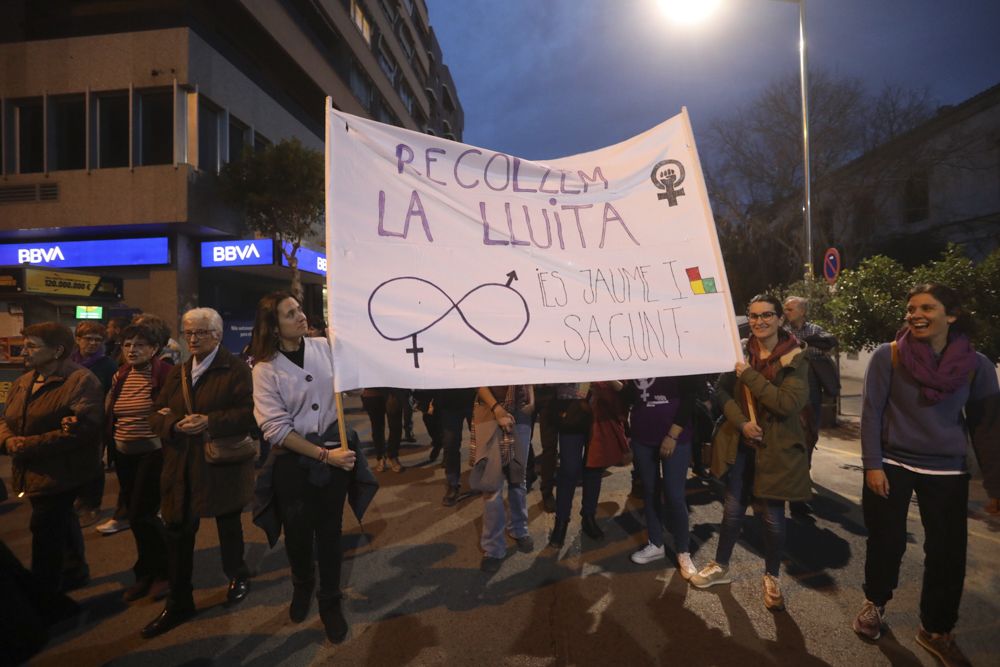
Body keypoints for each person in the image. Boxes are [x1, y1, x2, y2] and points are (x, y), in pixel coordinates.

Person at [852, 284, 998, 666]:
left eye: (926, 308)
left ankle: (936, 628)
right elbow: (871, 413)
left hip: (948, 469)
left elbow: (985, 427)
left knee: (948, 554)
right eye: (911, 307)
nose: (914, 314)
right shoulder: (890, 356)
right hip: (893, 464)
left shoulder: (977, 366)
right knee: (887, 541)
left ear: (951, 316)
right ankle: (876, 603)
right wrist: (872, 464)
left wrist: (996, 486)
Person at [690, 295, 810, 612]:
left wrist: (749, 376)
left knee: (772, 518)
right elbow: (721, 391)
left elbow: (787, 404)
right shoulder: (741, 353)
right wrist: (742, 423)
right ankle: (721, 566)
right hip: (742, 447)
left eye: (767, 315)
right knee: (731, 511)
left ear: (780, 319)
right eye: (754, 316)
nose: (759, 321)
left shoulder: (795, 358)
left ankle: (772, 575)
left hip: (776, 451)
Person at [142, 308, 257, 638]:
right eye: (188, 332)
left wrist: (210, 421)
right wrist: (173, 423)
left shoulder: (235, 369)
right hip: (180, 464)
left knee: (228, 523)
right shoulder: (178, 372)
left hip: (220, 463)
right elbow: (155, 414)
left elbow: (251, 413)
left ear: (218, 335)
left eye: (200, 333)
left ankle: (237, 574)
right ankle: (179, 601)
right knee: (177, 530)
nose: (192, 339)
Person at [251, 291, 356, 644]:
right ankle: (302, 586)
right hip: (294, 465)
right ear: (273, 326)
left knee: (329, 533)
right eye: (290, 313)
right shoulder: (264, 369)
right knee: (296, 532)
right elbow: (276, 429)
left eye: (299, 310)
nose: (301, 317)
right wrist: (325, 456)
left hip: (335, 454)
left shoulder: (325, 347)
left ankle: (330, 601)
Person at [0, 322, 104, 594]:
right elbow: (7, 419)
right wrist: (8, 440)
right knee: (61, 521)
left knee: (44, 529)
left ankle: (45, 593)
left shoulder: (81, 381)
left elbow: (83, 430)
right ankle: (74, 569)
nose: (25, 351)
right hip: (31, 468)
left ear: (57, 350)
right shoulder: (25, 380)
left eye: (32, 346)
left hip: (61, 471)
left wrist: (27, 445)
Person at [106, 323, 172, 602]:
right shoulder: (120, 374)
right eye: (127, 345)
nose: (132, 350)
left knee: (141, 514)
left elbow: (174, 410)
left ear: (154, 349)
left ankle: (164, 573)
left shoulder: (165, 373)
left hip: (153, 452)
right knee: (136, 517)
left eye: (140, 345)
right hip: (124, 453)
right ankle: (145, 573)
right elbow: (113, 412)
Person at [626, 376, 699, 580]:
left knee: (674, 494)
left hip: (675, 436)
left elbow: (690, 396)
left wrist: (673, 435)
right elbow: (630, 396)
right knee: (650, 491)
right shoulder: (633, 357)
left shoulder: (676, 354)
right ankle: (656, 543)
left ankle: (683, 551)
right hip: (642, 435)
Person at [471, 385, 534, 572]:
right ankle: (493, 547)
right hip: (488, 413)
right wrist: (497, 409)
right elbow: (478, 378)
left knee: (518, 478)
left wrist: (532, 400)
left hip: (520, 412)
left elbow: (529, 369)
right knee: (491, 485)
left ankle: (519, 528)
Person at [71, 321, 117, 527]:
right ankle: (76, 501)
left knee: (93, 464)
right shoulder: (68, 361)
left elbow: (112, 395)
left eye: (98, 340)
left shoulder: (108, 365)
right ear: (77, 339)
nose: (93, 343)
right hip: (68, 420)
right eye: (88, 338)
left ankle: (92, 504)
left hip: (95, 422)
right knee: (72, 461)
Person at [548, 383, 599, 548]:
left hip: (598, 411)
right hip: (570, 410)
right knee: (569, 470)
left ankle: (589, 515)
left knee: (594, 467)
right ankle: (561, 520)